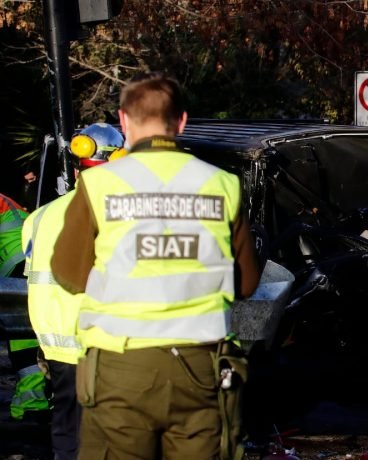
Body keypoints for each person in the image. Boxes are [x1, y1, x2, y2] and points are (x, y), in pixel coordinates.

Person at [51, 72, 261, 459]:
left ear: (123, 120)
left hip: (120, 367)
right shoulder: (223, 184)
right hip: (202, 365)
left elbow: (67, 272)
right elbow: (246, 283)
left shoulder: (100, 184)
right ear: (181, 122)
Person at [23, 122, 126, 459]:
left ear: (78, 170)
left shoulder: (40, 217)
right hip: (104, 345)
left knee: (68, 428)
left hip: (57, 346)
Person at [0, 191, 48, 422]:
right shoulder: (6, 202)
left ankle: (32, 404)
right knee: (25, 332)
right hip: (25, 261)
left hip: (17, 265)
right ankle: (32, 402)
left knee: (23, 335)